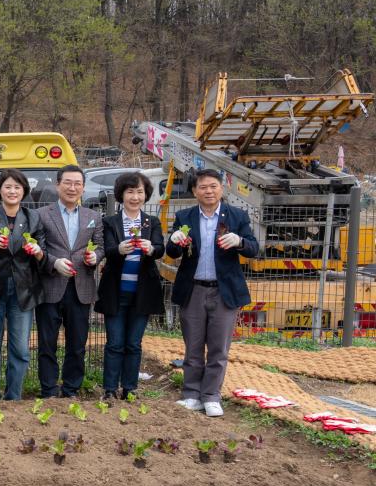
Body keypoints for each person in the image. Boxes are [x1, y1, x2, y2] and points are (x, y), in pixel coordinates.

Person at [166, 168, 258, 418]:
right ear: (194, 191)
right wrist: (174, 239)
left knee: (219, 348)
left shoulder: (237, 216)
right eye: (203, 187)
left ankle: (211, 396)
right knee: (193, 347)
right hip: (193, 289)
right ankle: (191, 394)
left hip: (224, 291)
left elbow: (253, 248)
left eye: (213, 186)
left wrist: (239, 241)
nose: (208, 191)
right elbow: (172, 252)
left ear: (222, 189)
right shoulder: (185, 216)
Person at [0, 169, 46, 402]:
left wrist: (37, 252)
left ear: (24, 191)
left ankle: (14, 397)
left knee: (20, 349)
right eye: (8, 187)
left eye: (17, 187)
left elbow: (43, 254)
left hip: (24, 289)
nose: (12, 191)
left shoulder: (34, 218)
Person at [94, 172, 164, 401]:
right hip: (116, 291)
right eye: (130, 191)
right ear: (121, 194)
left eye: (140, 192)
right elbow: (107, 250)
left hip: (142, 292)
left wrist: (151, 249)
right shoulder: (110, 222)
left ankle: (130, 388)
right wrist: (119, 250)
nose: (135, 197)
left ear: (146, 195)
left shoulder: (151, 222)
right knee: (114, 343)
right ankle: (109, 389)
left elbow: (160, 249)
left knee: (134, 343)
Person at [36, 164, 103, 398]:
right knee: (47, 343)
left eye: (77, 184)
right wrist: (53, 262)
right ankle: (49, 389)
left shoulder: (94, 217)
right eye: (68, 183)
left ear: (83, 188)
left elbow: (101, 246)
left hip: (81, 288)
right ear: (58, 185)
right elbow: (39, 249)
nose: (72, 188)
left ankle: (71, 388)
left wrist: (95, 257)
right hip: (51, 286)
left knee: (77, 343)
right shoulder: (42, 214)